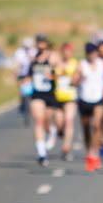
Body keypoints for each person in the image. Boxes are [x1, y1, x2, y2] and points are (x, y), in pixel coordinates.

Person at [28, 35, 59, 166]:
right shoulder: (33, 58)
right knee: (38, 121)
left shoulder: (52, 56)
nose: (40, 44)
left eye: (42, 42)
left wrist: (53, 75)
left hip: (49, 94)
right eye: (38, 42)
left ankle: (51, 130)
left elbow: (60, 72)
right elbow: (29, 73)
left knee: (46, 120)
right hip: (37, 93)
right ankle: (42, 154)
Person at [78, 42, 103, 172]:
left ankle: (94, 154)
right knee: (86, 128)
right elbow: (73, 80)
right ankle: (90, 151)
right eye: (89, 53)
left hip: (98, 99)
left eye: (94, 52)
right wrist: (79, 79)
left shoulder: (102, 64)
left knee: (96, 125)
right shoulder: (82, 65)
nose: (92, 55)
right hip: (84, 99)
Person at [54, 42, 80, 162]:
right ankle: (60, 133)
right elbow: (51, 77)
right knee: (60, 123)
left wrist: (73, 78)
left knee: (69, 121)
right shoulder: (57, 64)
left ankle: (66, 146)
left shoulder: (75, 64)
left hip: (70, 97)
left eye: (69, 51)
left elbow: (78, 79)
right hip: (58, 97)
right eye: (64, 51)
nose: (66, 53)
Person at [13, 37, 34, 125]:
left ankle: (32, 105)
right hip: (22, 74)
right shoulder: (19, 52)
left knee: (33, 91)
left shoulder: (34, 51)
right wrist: (15, 73)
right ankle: (21, 102)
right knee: (21, 90)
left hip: (31, 74)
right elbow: (17, 63)